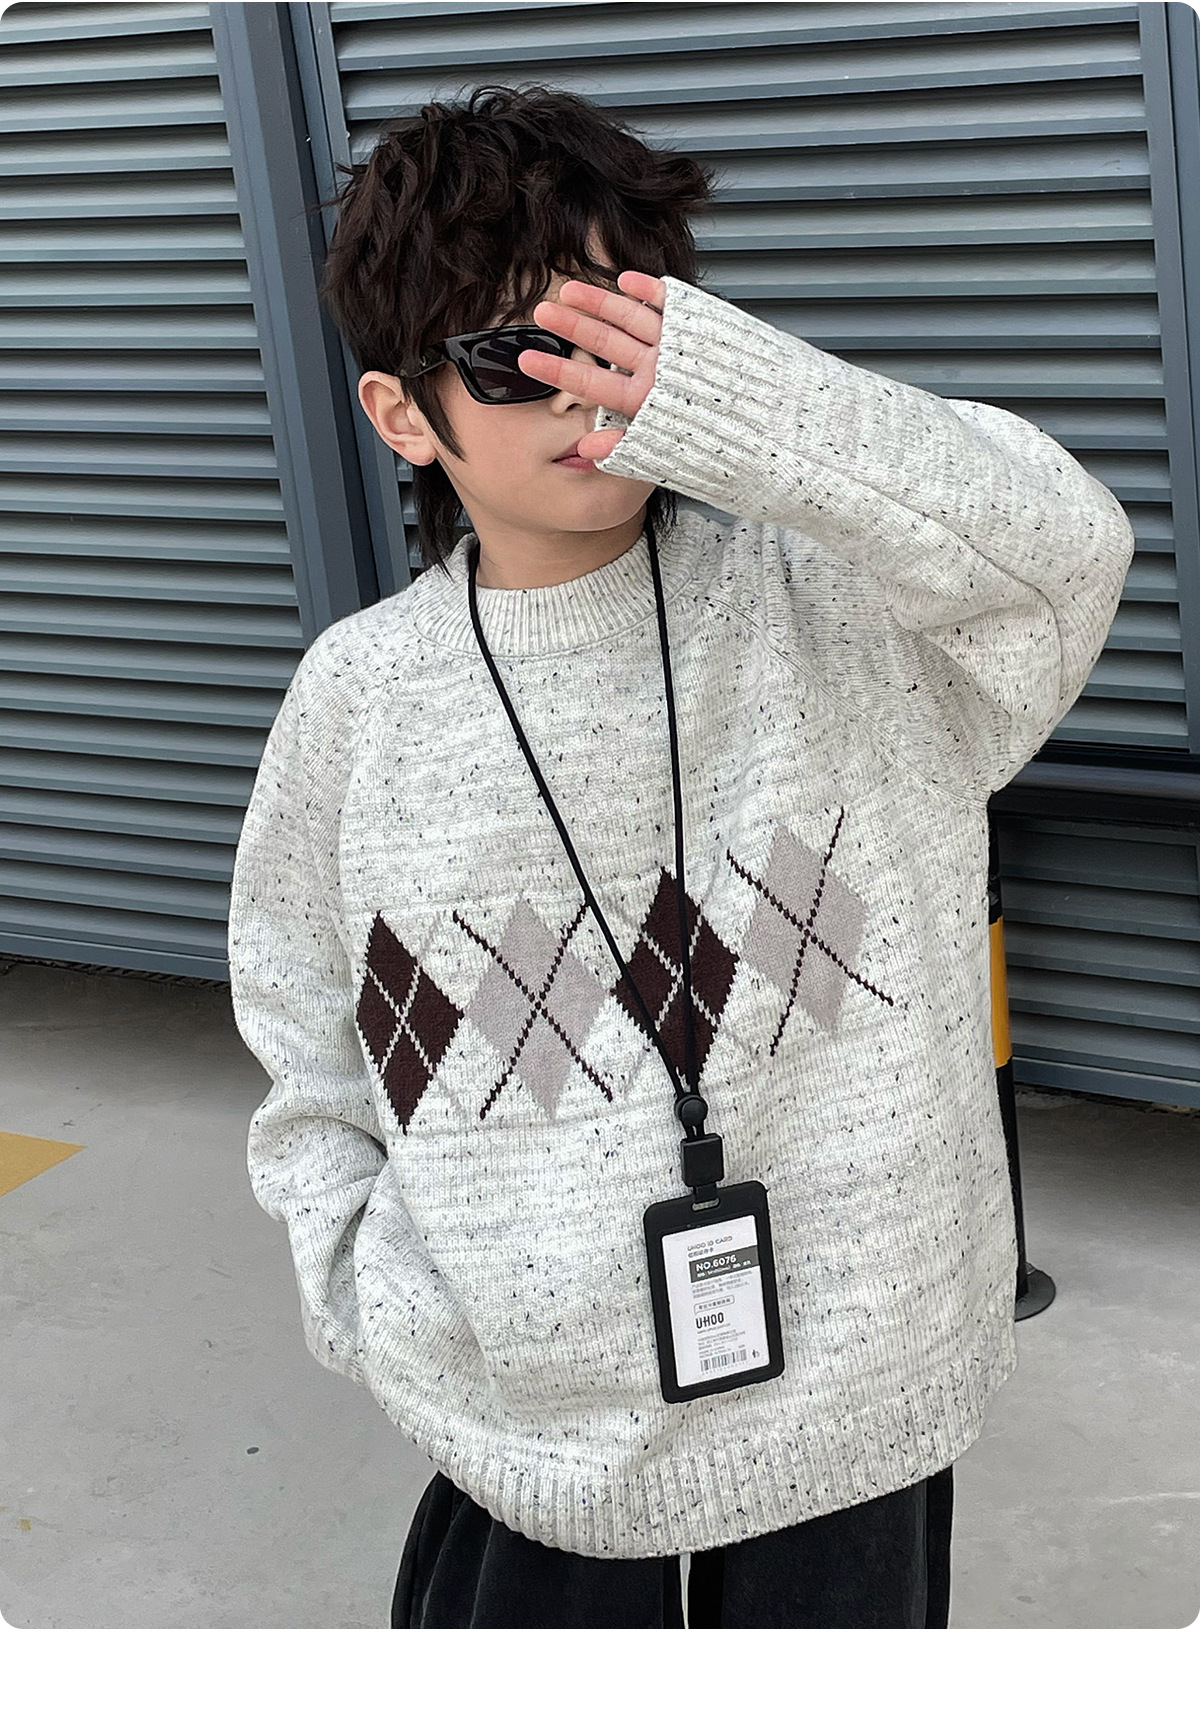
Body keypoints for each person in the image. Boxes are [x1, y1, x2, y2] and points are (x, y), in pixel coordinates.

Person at [226, 84, 1135, 1628]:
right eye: (517, 353)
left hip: (858, 1420)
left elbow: (1066, 551)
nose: (585, 393)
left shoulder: (841, 611)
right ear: (402, 413)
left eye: (625, 336)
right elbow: (304, 1035)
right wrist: (369, 1293)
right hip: (529, 1446)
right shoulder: (359, 701)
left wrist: (752, 407)